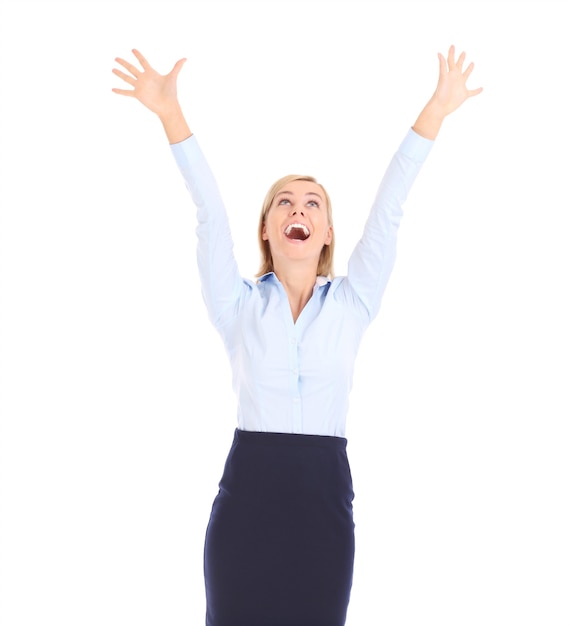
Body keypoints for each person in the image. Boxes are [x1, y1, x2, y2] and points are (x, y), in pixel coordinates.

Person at [112, 45, 482, 626]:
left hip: (323, 507)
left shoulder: (354, 303)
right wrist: (170, 115)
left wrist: (434, 112)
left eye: (312, 202)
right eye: (283, 201)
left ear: (327, 231)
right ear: (268, 226)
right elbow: (209, 212)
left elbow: (389, 210)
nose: (297, 208)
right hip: (246, 503)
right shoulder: (236, 306)